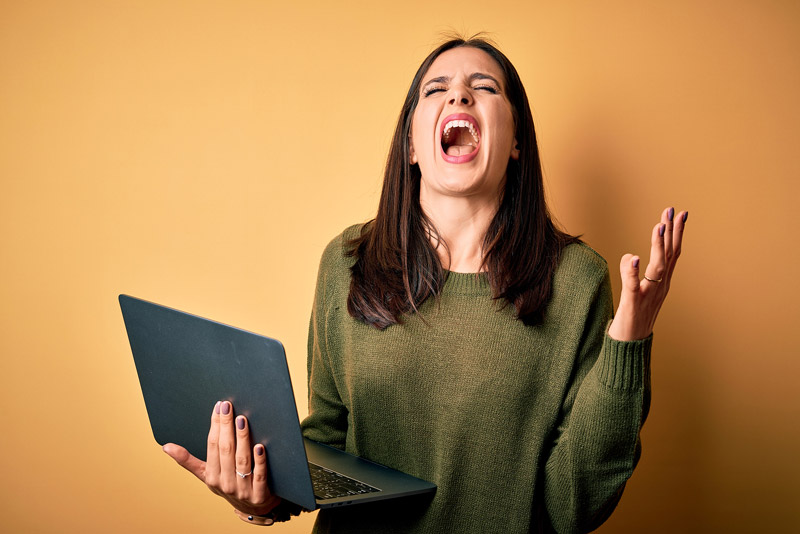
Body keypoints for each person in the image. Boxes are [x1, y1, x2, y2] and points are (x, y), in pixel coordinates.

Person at [163, 35, 688, 533]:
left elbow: (572, 504)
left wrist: (629, 342)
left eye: (484, 87)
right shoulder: (347, 262)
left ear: (517, 144)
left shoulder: (577, 280)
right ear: (412, 145)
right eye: (435, 90)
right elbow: (327, 441)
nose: (459, 92)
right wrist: (259, 497)